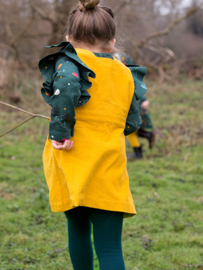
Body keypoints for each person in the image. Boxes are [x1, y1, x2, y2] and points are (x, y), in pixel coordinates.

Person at [38, 1, 148, 269]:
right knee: (110, 247)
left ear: (68, 40)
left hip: (73, 163)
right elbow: (132, 121)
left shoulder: (69, 63)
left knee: (77, 232)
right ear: (112, 42)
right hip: (109, 167)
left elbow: (65, 88)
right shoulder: (125, 73)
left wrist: (60, 132)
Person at [114, 52, 155, 160]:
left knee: (130, 129)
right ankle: (144, 140)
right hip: (129, 105)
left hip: (132, 106)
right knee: (131, 130)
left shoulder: (127, 73)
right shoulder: (120, 73)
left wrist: (144, 100)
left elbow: (136, 89)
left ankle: (139, 151)